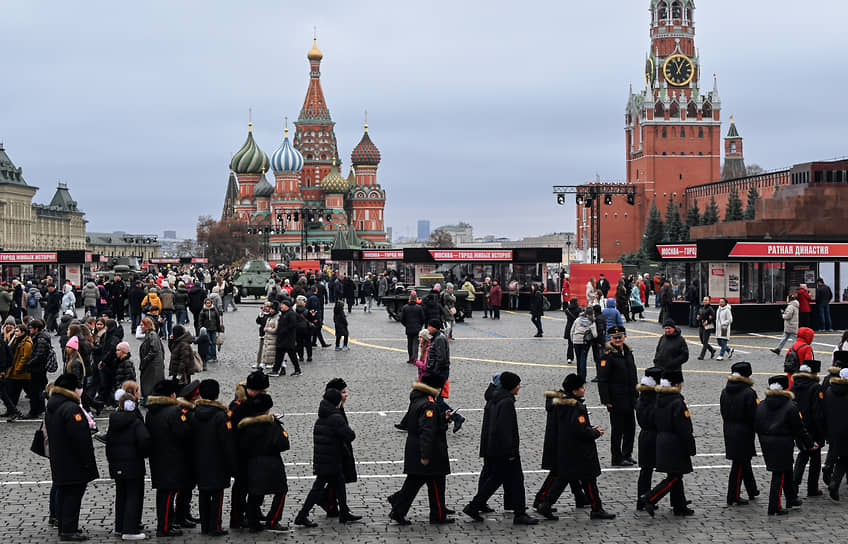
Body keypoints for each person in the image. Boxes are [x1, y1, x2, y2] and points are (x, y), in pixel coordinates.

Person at [535, 373, 615, 520]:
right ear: (575, 390)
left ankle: (545, 504)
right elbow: (580, 430)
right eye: (581, 387)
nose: (584, 389)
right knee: (589, 479)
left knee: (564, 478)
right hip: (579, 449)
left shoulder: (560, 403)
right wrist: (595, 432)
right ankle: (596, 508)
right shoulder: (576, 407)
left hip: (566, 447)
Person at [463, 371, 538, 525]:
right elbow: (505, 429)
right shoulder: (507, 402)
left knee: (496, 479)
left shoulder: (495, 398)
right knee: (516, 480)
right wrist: (510, 451)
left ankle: (474, 506)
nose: (519, 387)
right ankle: (519, 514)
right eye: (518, 384)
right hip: (505, 451)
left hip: (494, 448)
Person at [388, 373, 454, 525]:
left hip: (415, 448)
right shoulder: (429, 404)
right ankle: (437, 515)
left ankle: (399, 511)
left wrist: (442, 420)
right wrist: (426, 455)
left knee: (413, 483)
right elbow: (427, 430)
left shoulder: (418, 399)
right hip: (429, 451)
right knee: (437, 483)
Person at [295, 388, 361, 527]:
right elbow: (350, 436)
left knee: (339, 483)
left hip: (325, 458)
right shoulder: (336, 417)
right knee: (318, 488)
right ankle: (302, 515)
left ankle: (344, 512)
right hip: (331, 459)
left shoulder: (323, 416)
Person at [46, 373, 99, 541]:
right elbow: (80, 438)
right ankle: (69, 529)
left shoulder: (53, 405)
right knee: (73, 495)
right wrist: (88, 461)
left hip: (60, 458)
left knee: (63, 493)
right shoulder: (71, 408)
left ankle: (64, 525)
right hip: (73, 460)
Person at [755, 375, 814, 515]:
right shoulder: (790, 406)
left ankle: (791, 498)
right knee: (779, 473)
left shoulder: (761, 404)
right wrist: (809, 443)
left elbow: (756, 423)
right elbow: (799, 428)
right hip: (783, 442)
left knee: (786, 470)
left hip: (766, 441)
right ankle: (774, 506)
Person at [640, 369, 696, 517]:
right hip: (675, 442)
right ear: (677, 385)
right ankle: (650, 497)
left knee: (675, 474)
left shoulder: (659, 399)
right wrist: (690, 446)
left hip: (662, 439)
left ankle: (679, 505)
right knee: (675, 476)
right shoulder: (677, 402)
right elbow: (684, 428)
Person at [237, 393, 290, 533]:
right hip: (272, 462)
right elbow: (283, 444)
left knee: (254, 493)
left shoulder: (245, 426)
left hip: (253, 462)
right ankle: (273, 520)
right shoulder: (272, 424)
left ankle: (253, 521)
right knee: (281, 491)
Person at [146, 379, 192, 537]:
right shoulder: (173, 412)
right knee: (168, 493)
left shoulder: (152, 411)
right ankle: (164, 526)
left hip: (158, 456)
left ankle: (166, 523)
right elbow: (183, 433)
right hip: (172, 456)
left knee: (164, 492)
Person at [105, 384, 150, 541]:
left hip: (117, 465)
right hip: (133, 465)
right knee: (133, 496)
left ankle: (120, 526)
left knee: (121, 495)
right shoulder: (136, 422)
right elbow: (144, 441)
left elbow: (108, 443)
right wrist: (143, 455)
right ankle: (130, 529)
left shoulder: (113, 421)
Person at [192, 379, 235, 536]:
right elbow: (227, 443)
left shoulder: (194, 414)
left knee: (203, 493)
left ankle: (204, 525)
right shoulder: (221, 416)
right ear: (216, 395)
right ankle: (215, 525)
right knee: (217, 495)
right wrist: (232, 465)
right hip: (218, 462)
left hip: (199, 460)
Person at [228, 371, 269, 529]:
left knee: (256, 483)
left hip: (255, 450)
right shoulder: (239, 405)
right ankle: (236, 517)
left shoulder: (254, 400)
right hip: (241, 452)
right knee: (241, 487)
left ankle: (253, 511)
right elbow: (233, 429)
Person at [719, 362, 759, 506]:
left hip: (729, 428)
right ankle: (733, 495)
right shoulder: (749, 392)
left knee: (744, 461)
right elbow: (754, 415)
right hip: (744, 431)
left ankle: (752, 489)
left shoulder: (725, 391)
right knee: (739, 464)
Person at [598, 325, 637, 467]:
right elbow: (602, 380)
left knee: (630, 428)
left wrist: (636, 394)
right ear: (611, 339)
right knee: (618, 430)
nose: (618, 339)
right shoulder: (607, 356)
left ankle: (627, 454)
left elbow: (633, 374)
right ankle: (617, 457)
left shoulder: (628, 352)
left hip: (629, 397)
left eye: (620, 336)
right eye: (615, 337)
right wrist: (606, 400)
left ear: (624, 336)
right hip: (616, 399)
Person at [790, 359, 824, 497]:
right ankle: (812, 488)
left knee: (803, 454)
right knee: (815, 459)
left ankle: (794, 484)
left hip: (798, 426)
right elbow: (817, 412)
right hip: (812, 428)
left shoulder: (794, 386)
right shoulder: (815, 387)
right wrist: (821, 431)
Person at [635, 367, 663, 511]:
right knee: (673, 471)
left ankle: (641, 499)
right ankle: (649, 498)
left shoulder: (641, 398)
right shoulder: (656, 400)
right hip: (655, 436)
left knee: (645, 471)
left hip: (644, 436)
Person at [822, 368, 848, 500]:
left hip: (832, 429)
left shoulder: (829, 390)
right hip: (846, 431)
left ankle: (827, 468)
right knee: (844, 459)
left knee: (834, 451)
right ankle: (835, 482)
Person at [5, 324, 32, 420]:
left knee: (27, 391)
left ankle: (14, 411)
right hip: (14, 371)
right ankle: (11, 410)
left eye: (17, 331)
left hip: (21, 373)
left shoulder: (27, 342)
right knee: (12, 393)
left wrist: (17, 369)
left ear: (23, 332)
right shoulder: (16, 340)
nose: (15, 333)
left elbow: (24, 358)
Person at [27, 318, 53, 418]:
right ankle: (41, 407)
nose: (30, 330)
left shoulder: (40, 339)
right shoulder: (41, 337)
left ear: (36, 329)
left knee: (35, 390)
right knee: (41, 389)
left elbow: (39, 355)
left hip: (37, 368)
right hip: (39, 368)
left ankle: (34, 411)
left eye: (31, 328)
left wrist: (29, 363)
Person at [137, 318, 164, 399]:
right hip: (151, 366)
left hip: (152, 366)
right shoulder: (150, 335)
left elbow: (154, 350)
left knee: (150, 385)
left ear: (147, 326)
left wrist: (145, 360)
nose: (140, 327)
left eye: (142, 325)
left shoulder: (152, 335)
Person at [570, 306, 597, 380]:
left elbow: (572, 330)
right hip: (585, 341)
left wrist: (573, 339)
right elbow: (595, 335)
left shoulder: (578, 319)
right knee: (583, 358)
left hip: (576, 340)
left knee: (578, 358)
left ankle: (578, 375)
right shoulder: (592, 321)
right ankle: (583, 376)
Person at [400, 293, 425, 363]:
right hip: (417, 328)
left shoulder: (405, 307)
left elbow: (402, 319)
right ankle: (415, 358)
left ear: (410, 299)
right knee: (415, 344)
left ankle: (410, 357)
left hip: (409, 328)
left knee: (409, 344)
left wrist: (406, 325)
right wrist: (420, 325)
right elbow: (423, 318)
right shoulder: (419, 308)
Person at [197, 298, 220, 364]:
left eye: (209, 303)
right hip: (206, 329)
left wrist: (218, 329)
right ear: (205, 303)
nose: (208, 304)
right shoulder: (203, 311)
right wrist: (200, 330)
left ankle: (214, 357)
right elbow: (200, 321)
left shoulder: (214, 310)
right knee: (208, 344)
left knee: (214, 343)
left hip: (213, 329)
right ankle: (209, 357)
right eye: (207, 303)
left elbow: (217, 320)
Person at [562, 297, 580, 364]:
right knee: (578, 344)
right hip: (577, 327)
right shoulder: (579, 309)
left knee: (570, 344)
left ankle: (569, 357)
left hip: (569, 327)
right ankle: (579, 357)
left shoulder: (567, 310)